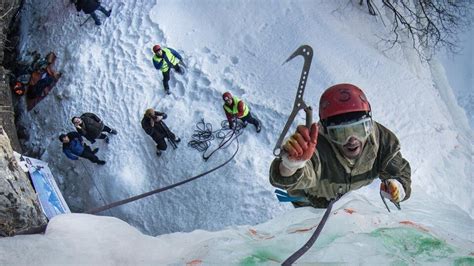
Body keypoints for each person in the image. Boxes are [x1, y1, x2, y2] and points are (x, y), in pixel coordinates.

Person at [269, 83, 411, 208]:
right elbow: (299, 175)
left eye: (360, 129)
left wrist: (398, 186)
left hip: (340, 202)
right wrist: (291, 166)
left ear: (369, 123)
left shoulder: (382, 140)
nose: (352, 140)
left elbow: (398, 170)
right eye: (341, 132)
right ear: (326, 131)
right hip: (311, 202)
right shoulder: (316, 146)